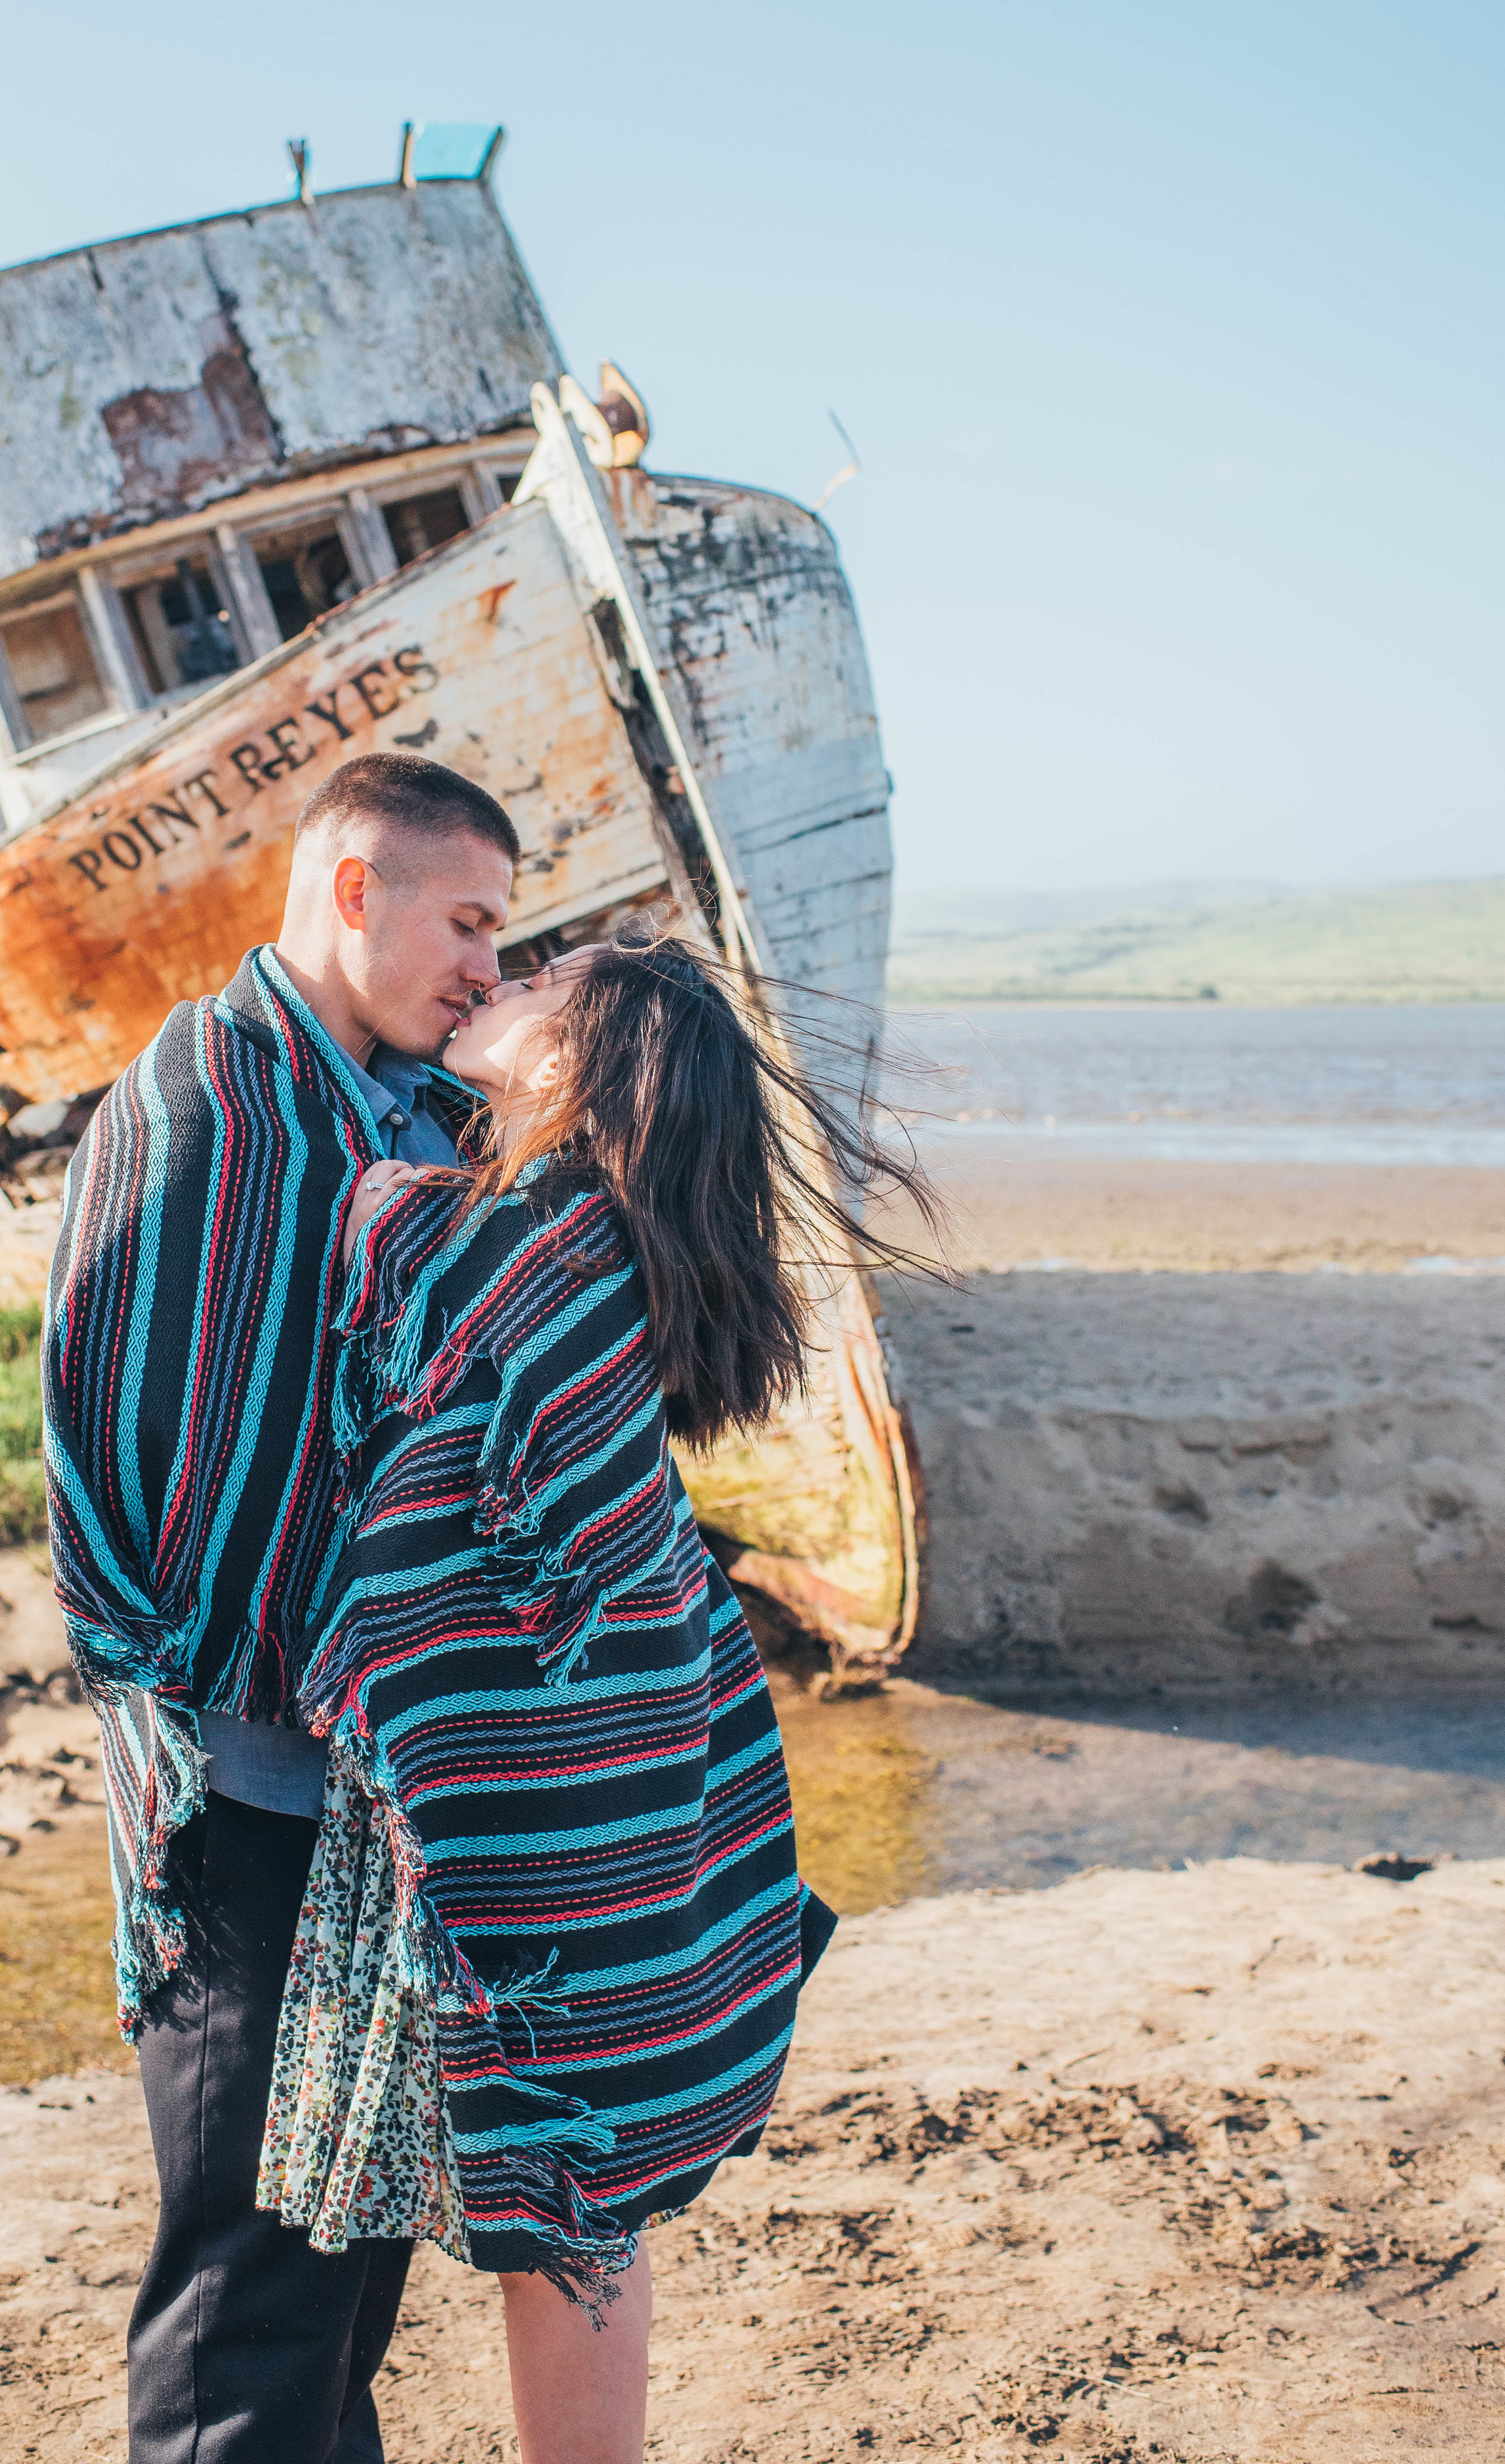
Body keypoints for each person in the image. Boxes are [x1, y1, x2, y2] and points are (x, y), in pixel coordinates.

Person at [253, 928, 938, 2464]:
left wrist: (376, 1173)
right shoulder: (601, 1240)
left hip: (557, 1803)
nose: (506, 972)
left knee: (564, 2202)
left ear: (571, 1063)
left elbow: (380, 1281)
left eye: (541, 982)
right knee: (584, 2203)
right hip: (626, 1791)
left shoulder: (519, 1240)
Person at [44, 749, 520, 2464]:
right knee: (250, 2283)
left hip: (370, 1808)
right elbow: (147, 1485)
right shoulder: (209, 1113)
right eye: (465, 922)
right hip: (245, 1807)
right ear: (348, 890)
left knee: (348, 2265)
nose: (488, 967)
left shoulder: (400, 1112)